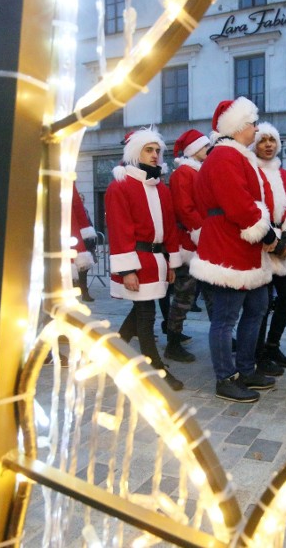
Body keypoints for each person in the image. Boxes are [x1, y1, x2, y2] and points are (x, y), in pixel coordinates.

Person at [191, 97, 286, 403]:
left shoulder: (235, 156)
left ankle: (246, 369)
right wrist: (270, 238)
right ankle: (226, 377)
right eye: (251, 123)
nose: (256, 128)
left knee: (257, 309)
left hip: (245, 249)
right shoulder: (223, 157)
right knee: (225, 318)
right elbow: (239, 206)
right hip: (229, 248)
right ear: (237, 127)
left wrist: (267, 235)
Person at [106, 128, 183, 391]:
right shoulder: (121, 186)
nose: (155, 155)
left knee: (139, 312)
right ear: (134, 152)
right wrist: (127, 270)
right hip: (137, 261)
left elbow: (170, 227)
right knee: (146, 315)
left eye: (157, 150)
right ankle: (155, 370)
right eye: (149, 150)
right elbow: (119, 229)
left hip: (156, 260)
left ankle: (111, 353)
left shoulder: (160, 188)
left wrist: (171, 261)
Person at [252, 122, 286, 374]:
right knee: (261, 304)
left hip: (282, 243)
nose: (268, 145)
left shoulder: (284, 174)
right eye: (263, 140)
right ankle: (257, 353)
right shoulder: (251, 171)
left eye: (272, 140)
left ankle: (272, 344)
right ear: (255, 144)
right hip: (261, 244)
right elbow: (252, 210)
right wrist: (272, 242)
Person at [165, 128, 211, 364]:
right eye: (203, 147)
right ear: (193, 150)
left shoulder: (197, 172)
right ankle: (172, 342)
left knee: (211, 293)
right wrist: (201, 232)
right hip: (190, 243)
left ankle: (220, 335)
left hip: (199, 241)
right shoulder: (184, 173)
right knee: (184, 294)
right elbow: (184, 208)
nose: (207, 149)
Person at [73, 188, 97, 302]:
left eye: (82, 198)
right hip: (77, 242)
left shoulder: (85, 211)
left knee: (84, 270)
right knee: (78, 270)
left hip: (86, 244)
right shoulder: (74, 211)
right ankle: (81, 290)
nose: (81, 200)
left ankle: (84, 291)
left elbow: (89, 224)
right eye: (80, 198)